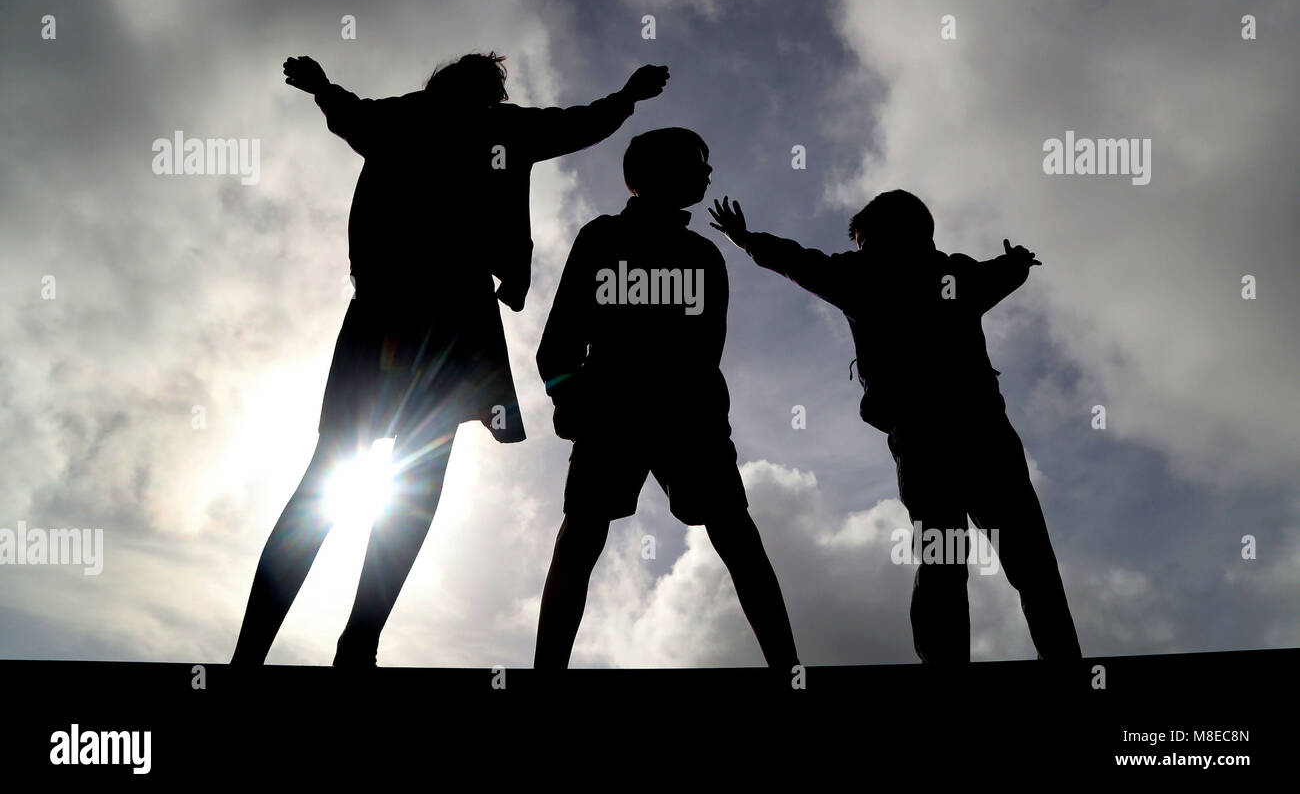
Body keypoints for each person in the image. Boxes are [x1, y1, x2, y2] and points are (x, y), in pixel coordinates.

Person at [231, 53, 668, 668]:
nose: (480, 101)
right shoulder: (442, 122)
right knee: (361, 475)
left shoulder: (469, 125)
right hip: (413, 311)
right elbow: (348, 112)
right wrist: (322, 86)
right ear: (452, 89)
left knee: (384, 477)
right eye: (478, 90)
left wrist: (624, 98)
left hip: (429, 312)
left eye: (485, 94)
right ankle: (294, 647)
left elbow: (577, 124)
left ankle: (341, 642)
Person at [708, 190, 1082, 663]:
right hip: (979, 431)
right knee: (1026, 561)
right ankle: (1064, 661)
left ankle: (951, 666)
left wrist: (746, 239)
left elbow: (797, 261)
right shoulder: (952, 275)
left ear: (894, 233)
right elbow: (999, 275)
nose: (861, 248)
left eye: (865, 240)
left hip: (929, 438)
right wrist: (1017, 264)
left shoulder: (863, 277)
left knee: (949, 559)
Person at [533, 128, 799, 670]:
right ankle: (546, 675)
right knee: (584, 534)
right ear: (654, 171)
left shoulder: (703, 254)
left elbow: (707, 352)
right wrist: (568, 400)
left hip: (682, 415)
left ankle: (788, 669)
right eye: (696, 162)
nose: (707, 172)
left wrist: (575, 396)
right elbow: (560, 339)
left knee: (734, 532)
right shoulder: (603, 237)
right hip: (619, 410)